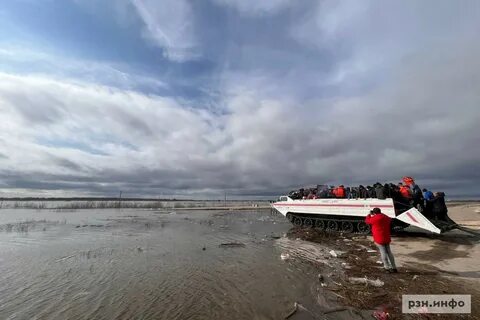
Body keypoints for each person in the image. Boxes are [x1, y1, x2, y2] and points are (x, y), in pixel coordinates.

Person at [365, 207, 398, 273]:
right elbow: (389, 219)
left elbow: (367, 221)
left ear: (374, 213)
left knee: (383, 252)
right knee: (389, 252)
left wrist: (369, 215)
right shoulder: (385, 217)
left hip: (379, 238)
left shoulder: (375, 218)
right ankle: (394, 267)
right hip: (386, 237)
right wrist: (380, 214)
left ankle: (387, 268)